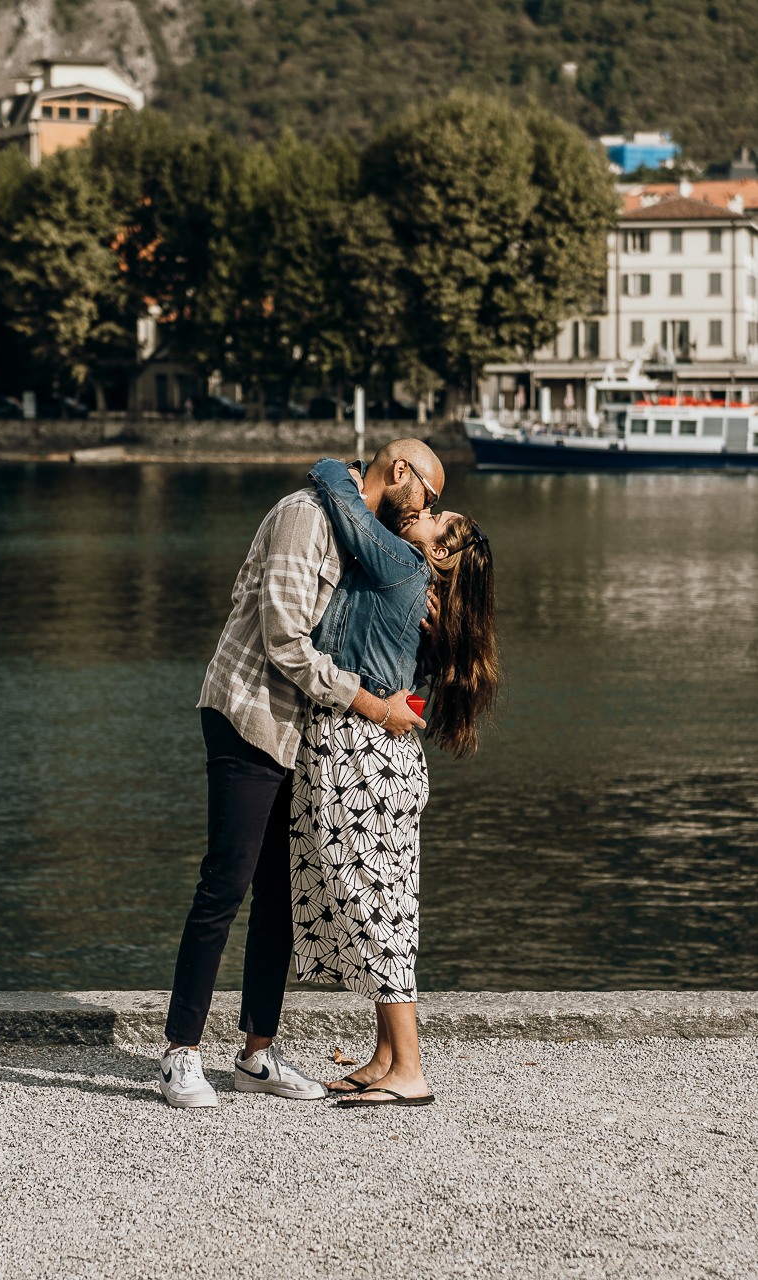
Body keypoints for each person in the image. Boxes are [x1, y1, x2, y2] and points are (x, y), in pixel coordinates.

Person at [159, 439, 445, 1107]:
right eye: (428, 495)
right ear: (399, 472)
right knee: (225, 882)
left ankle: (256, 1053)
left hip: (302, 730)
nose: (430, 507)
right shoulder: (304, 517)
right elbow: (283, 640)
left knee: (279, 894)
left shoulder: (360, 530)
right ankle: (180, 1053)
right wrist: (373, 703)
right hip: (250, 711)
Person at [291, 457, 498, 1108]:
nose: (424, 512)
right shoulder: (415, 584)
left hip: (364, 758)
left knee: (374, 906)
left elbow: (345, 507)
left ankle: (408, 1068)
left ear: (440, 558)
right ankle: (386, 1056)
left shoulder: (402, 565)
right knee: (389, 903)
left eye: (437, 518)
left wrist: (341, 467)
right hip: (381, 758)